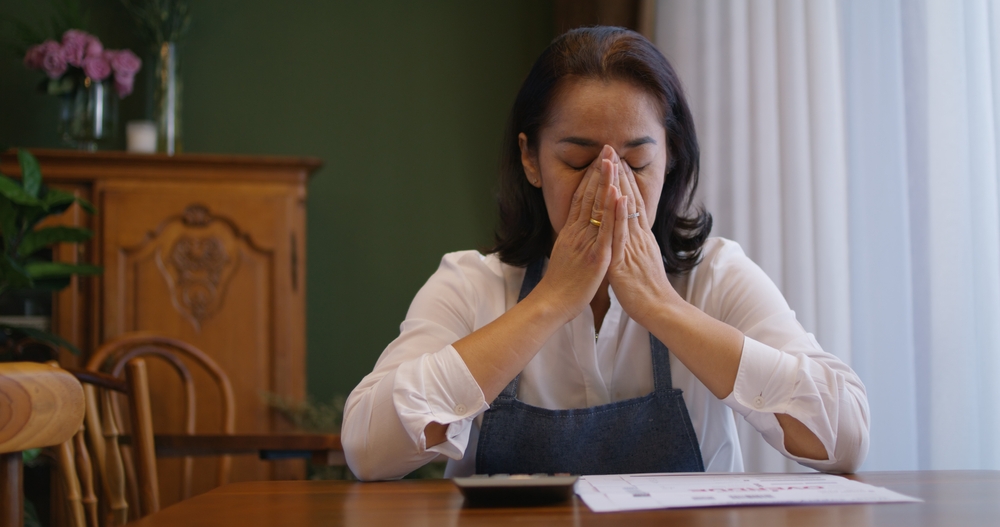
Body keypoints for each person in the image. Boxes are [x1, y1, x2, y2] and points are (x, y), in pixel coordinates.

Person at [342, 26, 869, 481]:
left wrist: (662, 307)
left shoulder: (715, 275)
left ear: (671, 157)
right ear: (530, 160)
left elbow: (845, 436)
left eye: (636, 163)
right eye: (578, 161)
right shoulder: (470, 284)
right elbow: (367, 449)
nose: (611, 187)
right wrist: (550, 302)